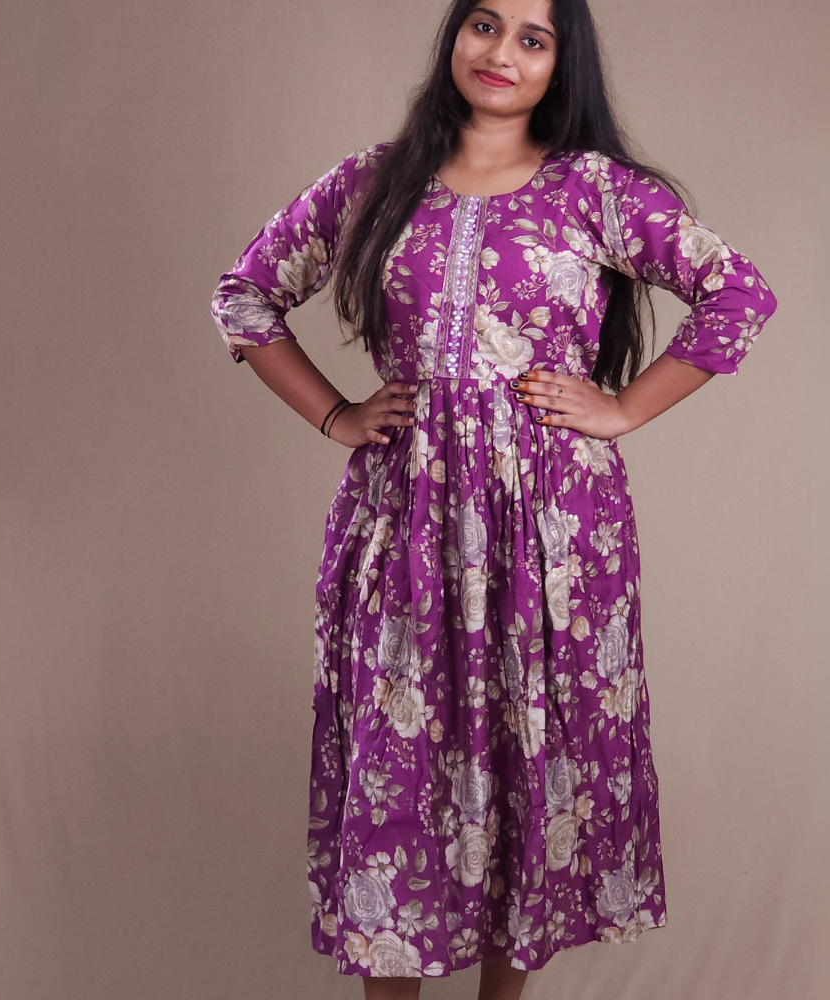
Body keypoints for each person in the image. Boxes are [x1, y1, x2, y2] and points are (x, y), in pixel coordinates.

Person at [210, 0, 778, 996]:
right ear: (454, 38)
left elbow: (739, 293)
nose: (500, 52)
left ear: (561, 63)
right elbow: (244, 294)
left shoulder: (592, 191)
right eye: (483, 24)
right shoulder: (373, 182)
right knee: (398, 767)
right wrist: (336, 414)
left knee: (529, 761)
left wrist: (622, 408)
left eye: (532, 37)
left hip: (551, 534)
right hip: (407, 523)